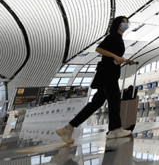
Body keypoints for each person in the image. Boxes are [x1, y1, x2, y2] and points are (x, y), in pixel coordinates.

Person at [56, 16, 135, 144]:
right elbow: (99, 49)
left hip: (108, 74)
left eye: (127, 22)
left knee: (95, 104)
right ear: (117, 24)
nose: (126, 24)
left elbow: (113, 57)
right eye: (123, 22)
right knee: (114, 99)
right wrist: (115, 56)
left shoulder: (118, 38)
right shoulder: (113, 36)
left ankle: (68, 128)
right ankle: (114, 130)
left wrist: (125, 60)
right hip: (108, 75)